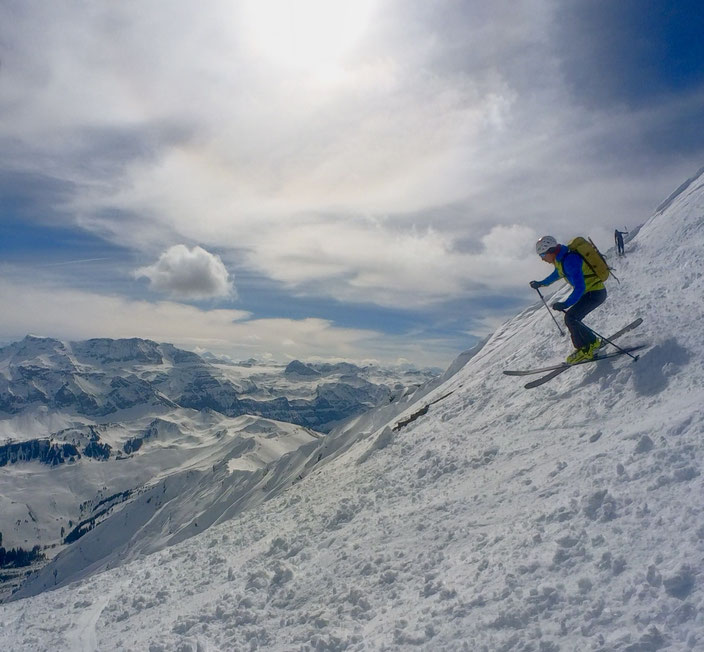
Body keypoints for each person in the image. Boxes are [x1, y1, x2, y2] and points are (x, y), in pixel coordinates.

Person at [530, 235, 607, 364]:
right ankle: (591, 344)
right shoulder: (561, 260)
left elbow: (580, 287)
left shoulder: (570, 260)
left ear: (549, 251)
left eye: (542, 255)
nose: (543, 259)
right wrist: (541, 283)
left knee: (571, 318)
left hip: (595, 293)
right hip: (590, 292)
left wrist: (565, 304)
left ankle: (587, 348)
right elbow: (557, 274)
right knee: (573, 318)